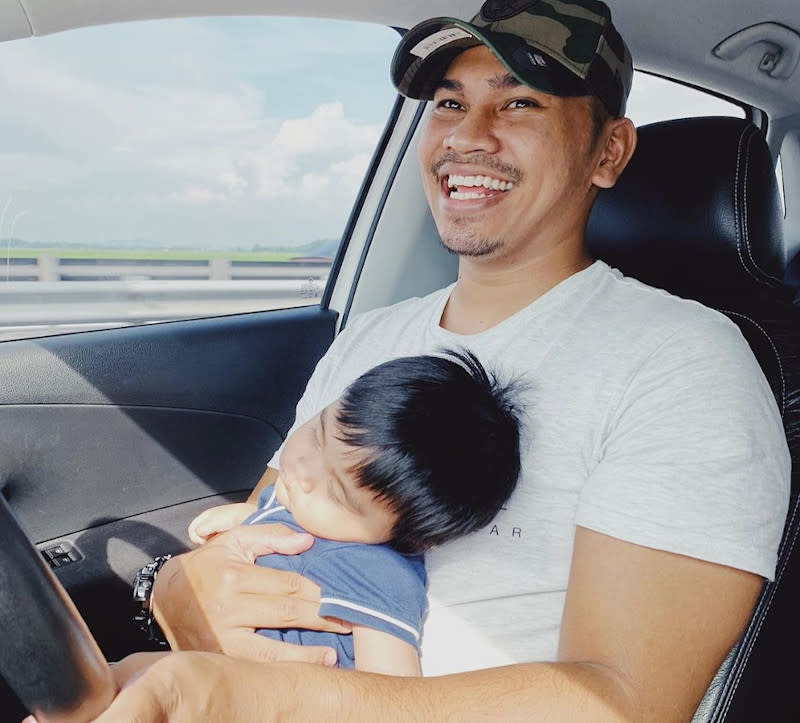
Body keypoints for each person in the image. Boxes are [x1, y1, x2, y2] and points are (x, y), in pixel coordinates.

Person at [93, 1, 790, 720]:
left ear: (607, 153)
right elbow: (276, 517)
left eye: (519, 102)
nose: (467, 135)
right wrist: (171, 586)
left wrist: (260, 697)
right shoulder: (371, 339)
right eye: (449, 102)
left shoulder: (681, 363)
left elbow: (622, 701)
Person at [185, 350, 522, 675]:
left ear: (413, 538)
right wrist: (246, 519)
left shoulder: (376, 573)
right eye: (317, 435)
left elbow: (391, 688)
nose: (302, 469)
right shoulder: (294, 501)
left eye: (335, 492)